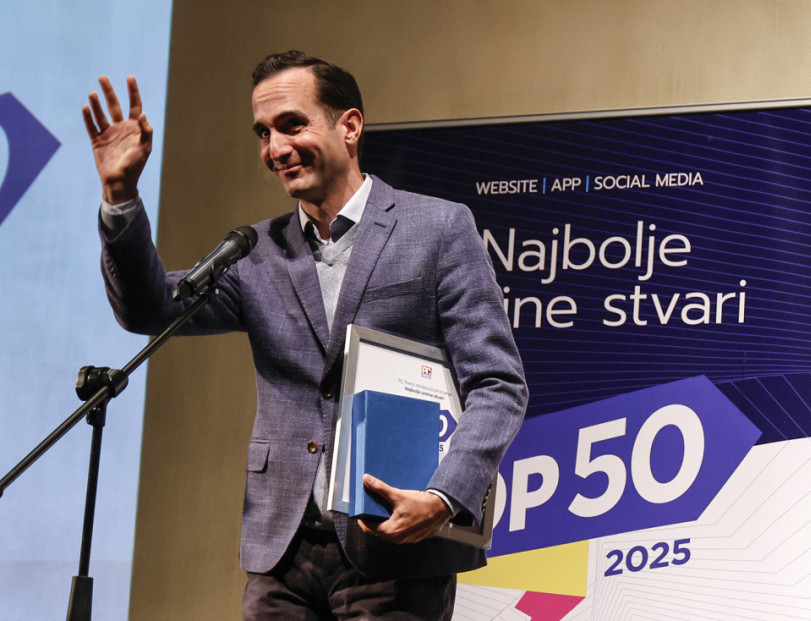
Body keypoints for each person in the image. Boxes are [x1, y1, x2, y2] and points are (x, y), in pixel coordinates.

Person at [82, 51, 528, 619]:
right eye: (263, 133)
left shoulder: (438, 228)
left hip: (395, 549)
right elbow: (149, 310)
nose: (275, 148)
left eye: (292, 125)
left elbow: (497, 384)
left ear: (350, 126)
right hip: (282, 553)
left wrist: (444, 498)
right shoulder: (254, 252)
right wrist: (120, 197)